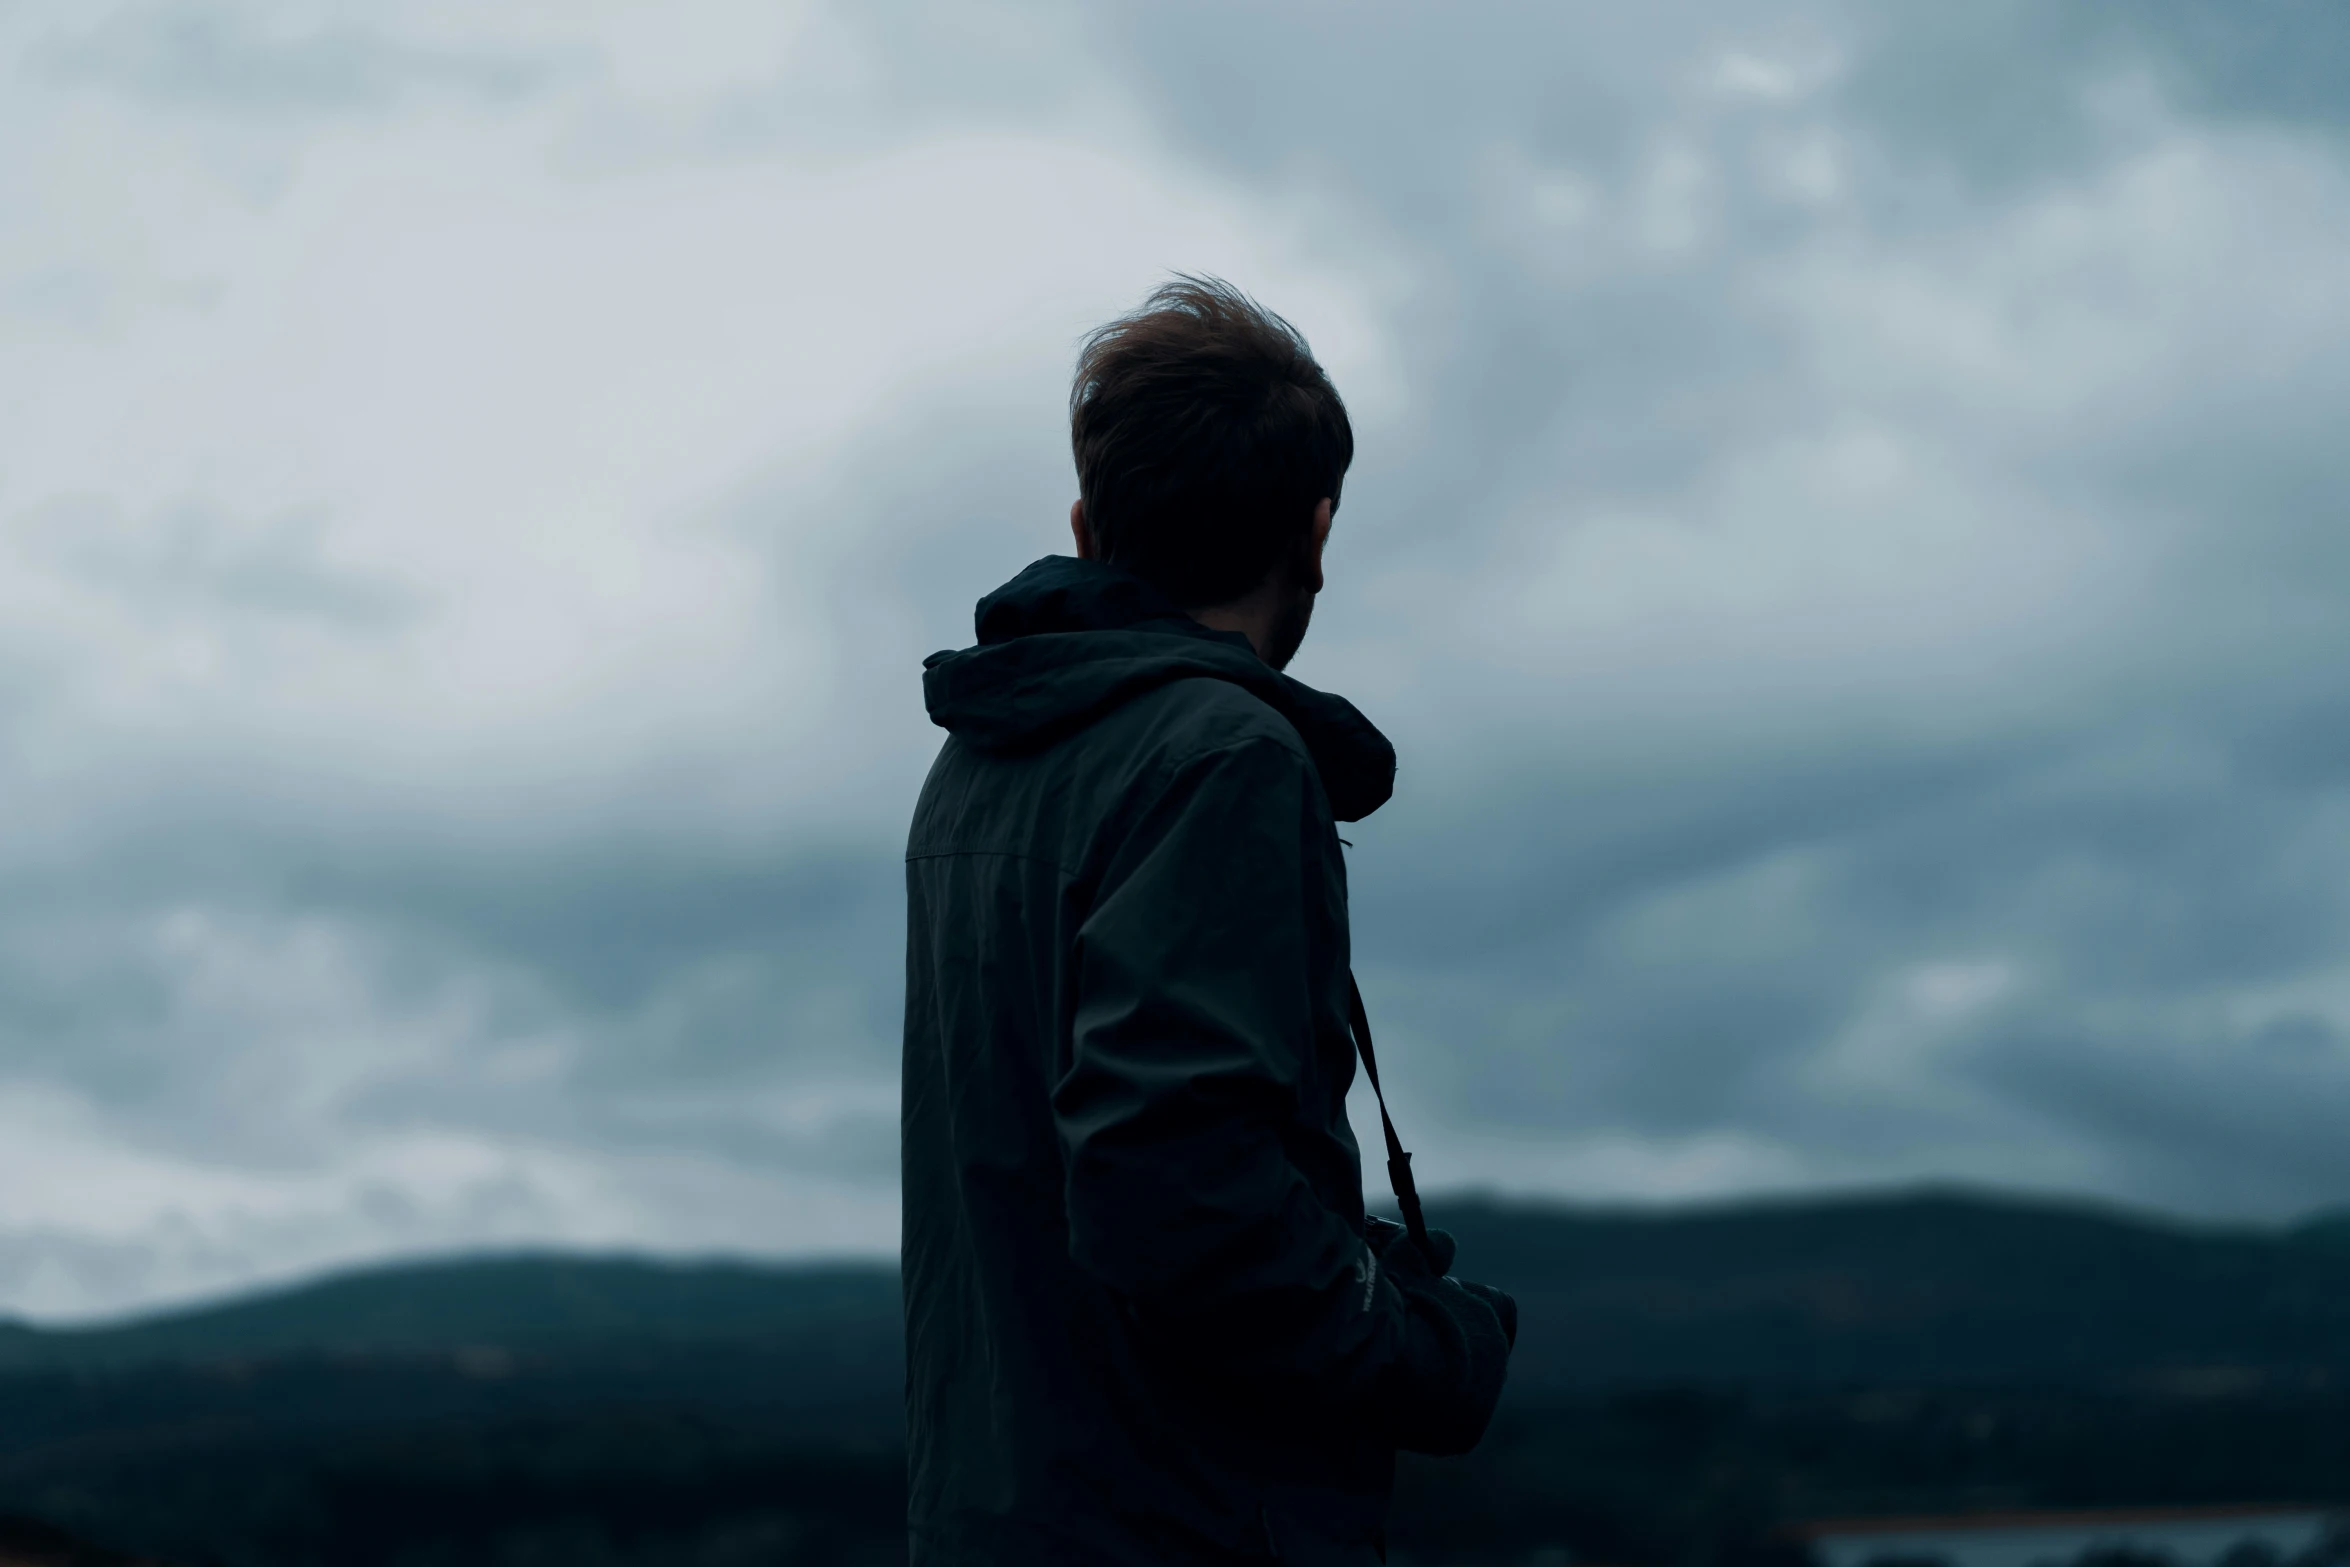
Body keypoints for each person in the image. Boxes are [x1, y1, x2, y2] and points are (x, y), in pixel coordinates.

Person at [902, 277, 1516, 1566]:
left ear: (1087, 522)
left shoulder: (985, 761)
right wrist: (1418, 1344)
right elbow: (1168, 1189)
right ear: (1317, 528)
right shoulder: (1224, 756)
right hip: (1183, 1526)